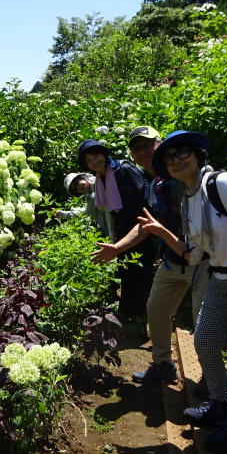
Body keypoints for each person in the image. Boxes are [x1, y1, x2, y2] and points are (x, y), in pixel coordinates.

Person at [137, 130, 227, 454]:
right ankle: (220, 404)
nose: (176, 161)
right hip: (220, 279)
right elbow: (193, 255)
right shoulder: (189, 198)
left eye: (182, 153)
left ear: (199, 154)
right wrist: (161, 231)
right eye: (169, 158)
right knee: (204, 341)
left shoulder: (222, 184)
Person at [92, 126, 210, 388]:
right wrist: (117, 247)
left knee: (205, 323)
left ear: (159, 144)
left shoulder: (183, 176)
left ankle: (209, 377)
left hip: (202, 261)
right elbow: (146, 223)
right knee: (156, 309)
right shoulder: (152, 184)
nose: (143, 152)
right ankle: (163, 365)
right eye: (137, 148)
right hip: (173, 260)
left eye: (147, 145)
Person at [76, 139, 154, 325]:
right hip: (123, 231)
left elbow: (145, 200)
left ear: (104, 154)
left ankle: (141, 322)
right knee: (127, 274)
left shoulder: (123, 170)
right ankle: (128, 317)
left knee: (140, 276)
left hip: (140, 229)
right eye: (89, 160)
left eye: (96, 155)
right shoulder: (101, 178)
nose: (95, 161)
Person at [60, 172, 113, 237]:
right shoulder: (90, 197)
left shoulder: (100, 182)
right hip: (112, 231)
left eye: (76, 184)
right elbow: (86, 212)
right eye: (75, 189)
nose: (78, 188)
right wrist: (63, 214)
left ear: (82, 178)